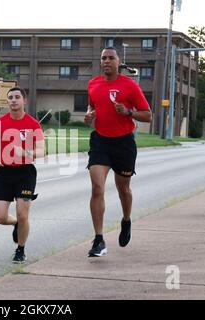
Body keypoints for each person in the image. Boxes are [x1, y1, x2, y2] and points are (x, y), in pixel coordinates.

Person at [84, 47, 152, 257]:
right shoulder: (93, 83)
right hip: (100, 141)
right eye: (103, 58)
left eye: (110, 58)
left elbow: (148, 115)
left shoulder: (129, 86)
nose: (106, 61)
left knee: (124, 189)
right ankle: (99, 240)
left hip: (123, 143)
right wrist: (89, 116)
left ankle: (126, 220)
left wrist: (129, 112)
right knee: (97, 188)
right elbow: (91, 107)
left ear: (118, 62)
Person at [0, 87, 45, 263]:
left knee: (23, 214)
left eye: (17, 97)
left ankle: (20, 249)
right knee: (0, 217)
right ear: (7, 102)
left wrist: (25, 152)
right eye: (10, 98)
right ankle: (15, 224)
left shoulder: (33, 123)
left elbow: (42, 151)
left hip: (25, 173)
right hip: (4, 173)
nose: (13, 100)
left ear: (24, 101)